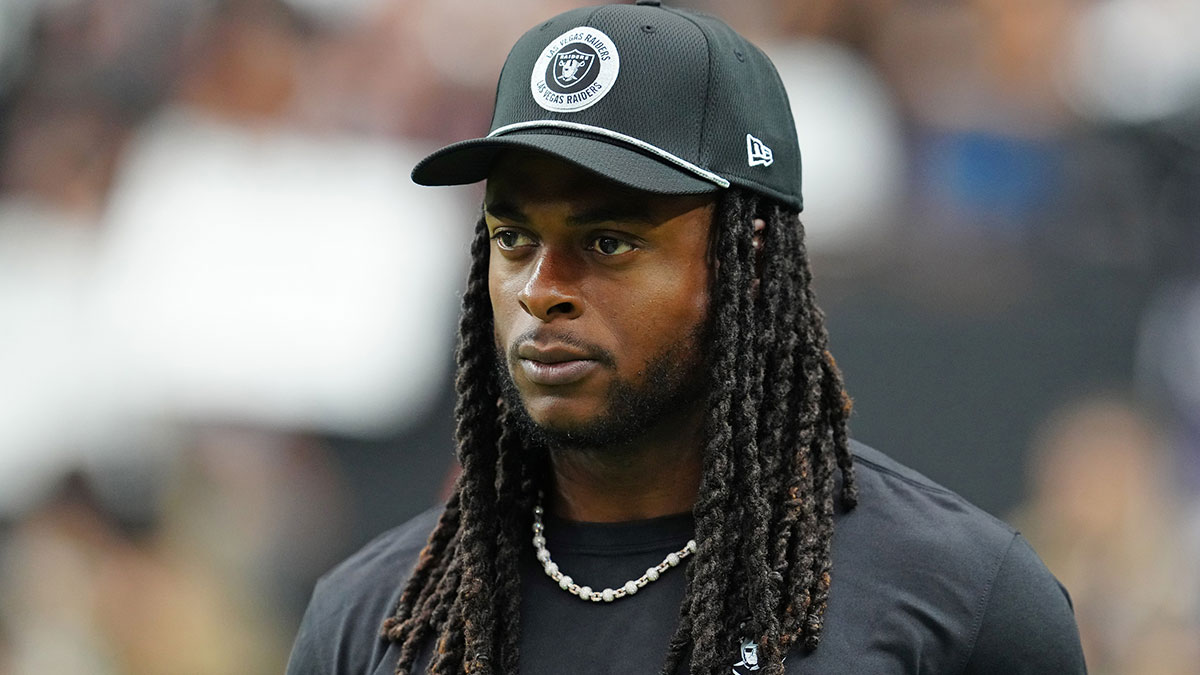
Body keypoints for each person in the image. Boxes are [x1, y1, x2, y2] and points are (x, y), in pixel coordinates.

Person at [286, 2, 1086, 673]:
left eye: (608, 242)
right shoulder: (370, 617)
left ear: (753, 264)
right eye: (513, 239)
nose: (542, 290)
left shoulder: (963, 603)